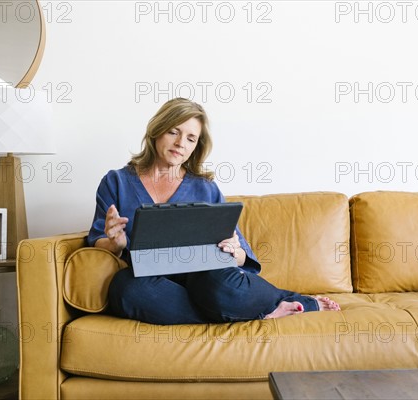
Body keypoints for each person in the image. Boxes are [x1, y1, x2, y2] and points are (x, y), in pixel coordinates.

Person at [87, 98, 340, 324]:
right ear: (156, 131)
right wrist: (115, 244)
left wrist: (234, 249)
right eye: (173, 131)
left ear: (197, 145)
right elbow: (97, 240)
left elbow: (242, 258)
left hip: (205, 278)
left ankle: (281, 303)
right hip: (150, 281)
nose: (180, 143)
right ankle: (257, 311)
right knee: (124, 289)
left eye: (190, 138)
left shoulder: (205, 188)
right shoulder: (116, 182)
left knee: (219, 286)